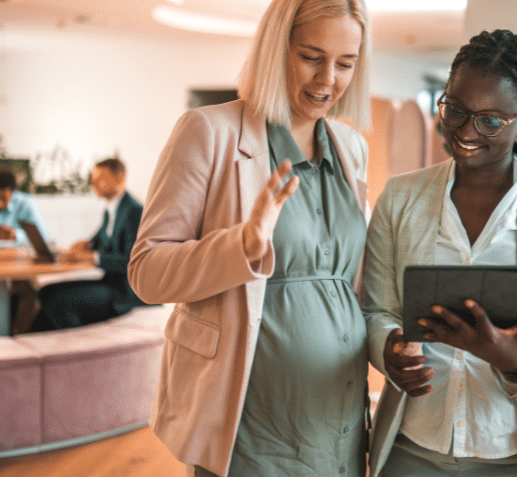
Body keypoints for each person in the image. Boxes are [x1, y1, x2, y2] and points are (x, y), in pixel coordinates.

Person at [127, 1, 372, 476]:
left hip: (338, 418)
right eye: (311, 57)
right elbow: (146, 272)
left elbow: (354, 286)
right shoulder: (208, 132)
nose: (328, 80)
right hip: (251, 424)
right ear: (275, 50)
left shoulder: (352, 149)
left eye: (346, 64)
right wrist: (242, 246)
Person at [362, 30, 517, 477]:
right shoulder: (401, 197)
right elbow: (376, 309)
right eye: (454, 110)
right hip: (414, 446)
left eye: (490, 121)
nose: (465, 131)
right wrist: (390, 350)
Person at [16, 157, 146, 333]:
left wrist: (92, 257)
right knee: (44, 292)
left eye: (100, 179)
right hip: (109, 283)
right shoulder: (112, 209)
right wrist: (86, 244)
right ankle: (31, 342)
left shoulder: (133, 211)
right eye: (92, 179)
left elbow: (132, 262)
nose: (93, 184)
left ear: (119, 179)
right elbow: (99, 239)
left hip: (123, 293)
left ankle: (77, 349)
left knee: (58, 301)